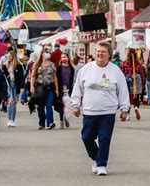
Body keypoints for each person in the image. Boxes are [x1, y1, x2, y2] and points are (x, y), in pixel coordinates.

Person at [71, 41, 130, 176]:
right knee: (86, 137)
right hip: (89, 111)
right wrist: (75, 104)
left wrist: (124, 108)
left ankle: (101, 164)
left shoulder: (116, 71)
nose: (99, 54)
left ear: (109, 55)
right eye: (98, 51)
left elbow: (122, 90)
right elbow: (77, 88)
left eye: (103, 52)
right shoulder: (86, 69)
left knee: (104, 138)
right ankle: (96, 158)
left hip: (107, 112)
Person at [30, 49, 59, 130]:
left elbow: (55, 77)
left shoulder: (52, 64)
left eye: (48, 52)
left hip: (50, 87)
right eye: (45, 52)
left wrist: (57, 89)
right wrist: (32, 86)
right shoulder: (37, 64)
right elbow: (33, 76)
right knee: (40, 106)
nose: (47, 54)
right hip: (40, 88)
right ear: (42, 54)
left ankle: (50, 122)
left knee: (49, 105)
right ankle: (41, 123)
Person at [120, 48, 145, 121]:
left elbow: (121, 73)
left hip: (128, 79)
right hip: (137, 79)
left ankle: (127, 115)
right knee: (136, 96)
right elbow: (142, 74)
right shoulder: (139, 64)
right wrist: (142, 84)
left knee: (127, 98)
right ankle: (136, 108)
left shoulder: (124, 63)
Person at [2, 51, 24, 127]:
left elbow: (22, 77)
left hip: (15, 86)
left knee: (13, 103)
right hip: (8, 86)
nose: (8, 58)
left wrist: (22, 87)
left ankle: (12, 120)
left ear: (13, 57)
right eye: (7, 56)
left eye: (10, 56)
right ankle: (9, 120)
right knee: (9, 103)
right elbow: (3, 77)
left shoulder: (19, 66)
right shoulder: (5, 65)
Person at [56, 52, 75, 129]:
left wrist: (69, 89)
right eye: (62, 57)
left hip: (68, 89)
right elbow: (57, 79)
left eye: (65, 57)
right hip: (61, 89)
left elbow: (71, 80)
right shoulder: (59, 68)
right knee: (61, 105)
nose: (64, 58)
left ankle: (66, 118)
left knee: (67, 105)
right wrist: (61, 89)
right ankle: (61, 121)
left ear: (68, 58)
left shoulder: (71, 68)